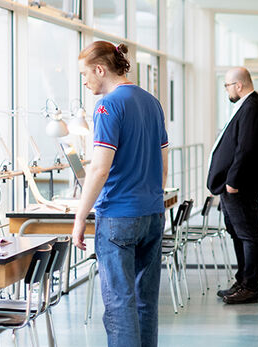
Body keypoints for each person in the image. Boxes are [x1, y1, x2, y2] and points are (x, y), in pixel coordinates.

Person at [70, 41, 169, 346]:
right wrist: (150, 194)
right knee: (145, 301)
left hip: (118, 218)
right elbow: (164, 161)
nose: (84, 81)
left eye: (85, 74)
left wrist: (79, 217)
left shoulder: (108, 106)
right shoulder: (152, 102)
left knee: (119, 305)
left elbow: (99, 169)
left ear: (100, 69)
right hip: (152, 213)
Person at [208, 67, 258, 304]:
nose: (226, 90)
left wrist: (233, 181)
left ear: (238, 85)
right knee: (239, 233)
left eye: (227, 85)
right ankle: (243, 281)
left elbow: (246, 148)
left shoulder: (253, 107)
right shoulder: (248, 106)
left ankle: (249, 286)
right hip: (233, 185)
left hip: (239, 186)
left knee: (248, 235)